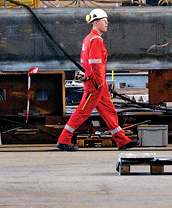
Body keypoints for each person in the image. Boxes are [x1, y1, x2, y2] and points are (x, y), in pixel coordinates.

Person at [56, 8, 134, 151]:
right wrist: (98, 82)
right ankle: (64, 139)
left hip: (97, 82)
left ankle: (122, 140)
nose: (107, 23)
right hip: (95, 83)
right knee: (82, 112)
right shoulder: (96, 40)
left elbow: (85, 62)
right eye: (104, 21)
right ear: (96, 22)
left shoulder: (88, 39)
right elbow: (94, 63)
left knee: (109, 111)